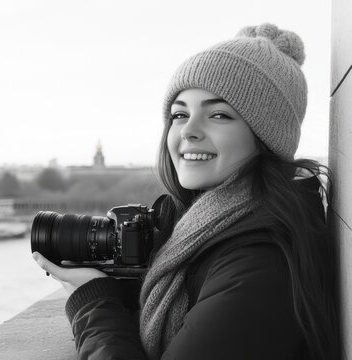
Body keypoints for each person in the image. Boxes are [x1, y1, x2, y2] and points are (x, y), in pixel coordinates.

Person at [33, 23, 342, 360]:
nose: (189, 131)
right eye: (180, 114)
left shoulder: (261, 263)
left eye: (219, 114)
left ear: (266, 136)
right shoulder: (213, 228)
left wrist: (93, 301)